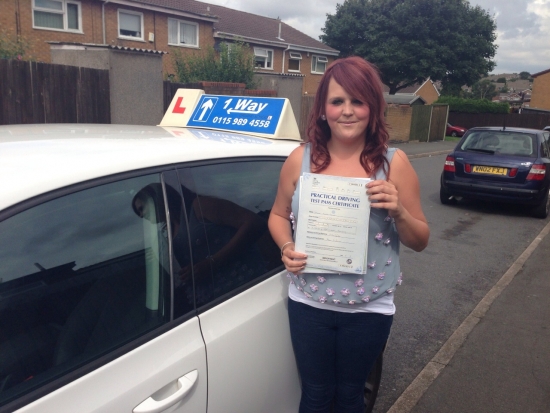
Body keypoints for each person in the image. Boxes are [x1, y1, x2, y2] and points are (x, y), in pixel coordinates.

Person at [268, 56, 430, 413]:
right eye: (337, 101)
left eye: (358, 101)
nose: (347, 111)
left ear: (373, 108)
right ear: (322, 109)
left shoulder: (393, 164)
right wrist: (286, 245)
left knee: (350, 397)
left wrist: (398, 209)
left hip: (369, 309)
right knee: (314, 395)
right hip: (309, 303)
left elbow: (420, 239)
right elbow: (278, 215)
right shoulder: (300, 158)